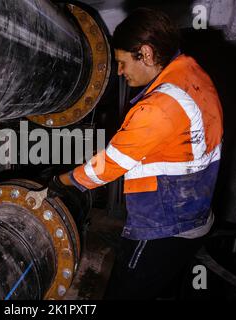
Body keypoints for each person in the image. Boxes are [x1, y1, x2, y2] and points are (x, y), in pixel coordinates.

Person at [53, 8, 224, 299]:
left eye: (122, 62)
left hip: (164, 227)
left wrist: (63, 182)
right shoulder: (193, 74)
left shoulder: (158, 107)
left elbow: (107, 166)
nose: (120, 72)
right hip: (195, 215)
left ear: (145, 53)